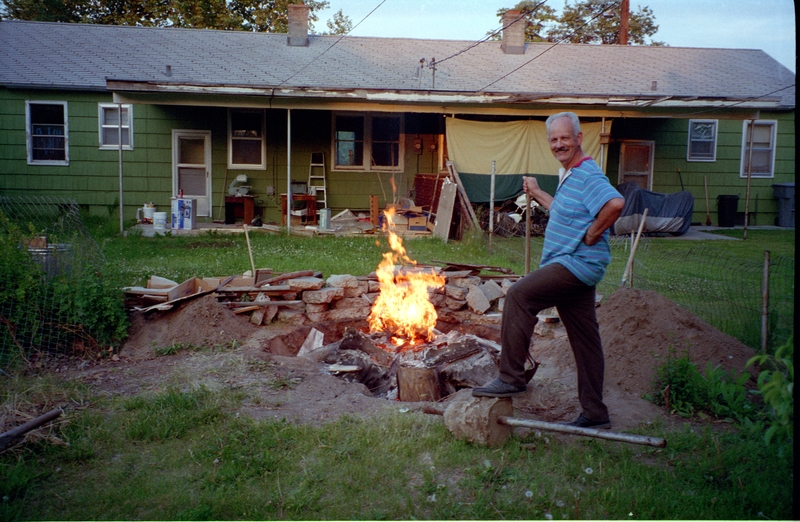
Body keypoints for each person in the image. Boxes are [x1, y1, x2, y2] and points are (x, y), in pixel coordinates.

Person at [472, 112, 625, 430]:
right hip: (577, 266)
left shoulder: (587, 173)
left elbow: (615, 204)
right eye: (553, 139)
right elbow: (564, 210)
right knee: (586, 340)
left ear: (579, 138)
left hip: (574, 263)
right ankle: (595, 412)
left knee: (518, 295)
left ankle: (511, 377)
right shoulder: (570, 174)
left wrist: (594, 234)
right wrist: (538, 192)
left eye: (565, 138)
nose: (559, 144)